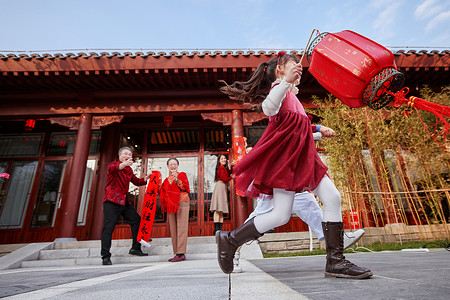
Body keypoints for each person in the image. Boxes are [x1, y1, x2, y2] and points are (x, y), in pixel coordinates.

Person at [216, 52, 372, 279]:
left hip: (305, 158)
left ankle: (335, 261)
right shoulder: (278, 91)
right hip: (287, 163)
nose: (299, 68)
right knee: (280, 215)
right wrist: (286, 81)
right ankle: (230, 240)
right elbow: (269, 108)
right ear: (280, 69)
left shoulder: (293, 97)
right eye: (293, 65)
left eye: (299, 66)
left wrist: (318, 131)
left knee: (332, 197)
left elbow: (297, 130)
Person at [101, 146, 150, 266]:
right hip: (111, 201)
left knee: (137, 220)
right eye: (125, 154)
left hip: (124, 202)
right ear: (119, 156)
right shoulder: (113, 165)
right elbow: (116, 168)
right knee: (108, 227)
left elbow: (137, 182)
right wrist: (124, 164)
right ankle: (105, 256)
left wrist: (146, 178)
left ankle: (135, 248)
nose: (128, 156)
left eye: (130, 154)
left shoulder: (129, 170)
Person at [160, 158, 190, 262]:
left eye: (175, 164)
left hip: (182, 201)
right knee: (173, 227)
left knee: (181, 227)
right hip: (171, 205)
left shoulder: (182, 174)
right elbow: (162, 191)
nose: (173, 166)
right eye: (171, 164)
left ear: (177, 166)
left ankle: (181, 253)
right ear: (168, 166)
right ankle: (176, 252)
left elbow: (186, 187)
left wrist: (177, 179)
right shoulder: (166, 179)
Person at [210, 154, 232, 235]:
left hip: (222, 187)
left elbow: (228, 175)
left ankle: (219, 229)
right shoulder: (221, 167)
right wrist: (232, 177)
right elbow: (225, 178)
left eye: (225, 158)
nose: (224, 160)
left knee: (221, 209)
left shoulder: (224, 168)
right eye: (222, 158)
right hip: (220, 186)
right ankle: (216, 229)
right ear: (219, 160)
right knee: (218, 209)